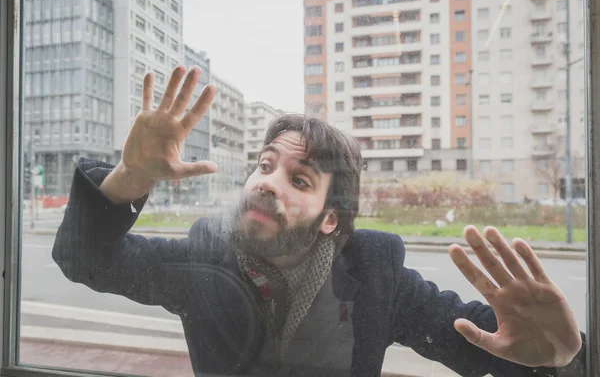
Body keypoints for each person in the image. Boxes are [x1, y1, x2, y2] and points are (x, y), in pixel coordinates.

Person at [53, 65, 585, 377]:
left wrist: (566, 358)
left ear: (332, 220)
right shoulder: (202, 258)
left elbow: (484, 340)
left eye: (300, 180)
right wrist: (127, 177)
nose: (268, 181)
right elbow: (84, 260)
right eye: (265, 166)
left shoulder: (376, 272)